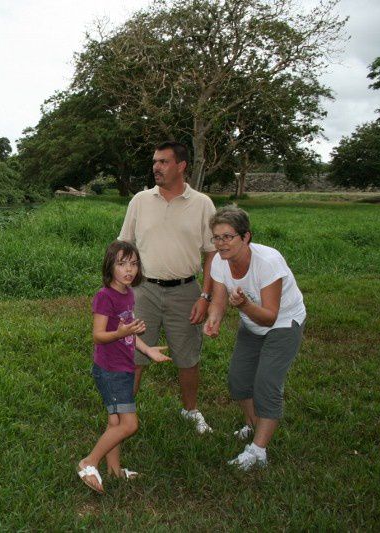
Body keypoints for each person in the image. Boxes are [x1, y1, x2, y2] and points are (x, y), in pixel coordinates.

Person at [117, 141, 217, 434]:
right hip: (143, 290)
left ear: (181, 166)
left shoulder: (202, 203)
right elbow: (125, 245)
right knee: (133, 353)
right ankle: (124, 415)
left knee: (187, 356)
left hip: (186, 291)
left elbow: (212, 253)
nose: (156, 167)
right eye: (155, 162)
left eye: (163, 162)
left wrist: (206, 296)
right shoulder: (140, 200)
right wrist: (120, 286)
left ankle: (191, 410)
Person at [204, 205, 306, 470]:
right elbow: (218, 299)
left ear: (245, 237)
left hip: (283, 322)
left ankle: (259, 451)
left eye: (228, 237)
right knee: (238, 382)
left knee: (266, 383)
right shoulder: (219, 261)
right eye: (216, 237)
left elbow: (270, 316)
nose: (221, 243)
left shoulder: (268, 262)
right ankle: (253, 424)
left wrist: (245, 306)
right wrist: (213, 320)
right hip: (251, 324)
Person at [77, 240, 171, 493]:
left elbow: (128, 332)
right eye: (122, 264)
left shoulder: (128, 294)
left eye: (134, 264)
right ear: (110, 266)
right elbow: (98, 335)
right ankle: (89, 461)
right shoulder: (105, 296)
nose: (129, 270)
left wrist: (147, 349)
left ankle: (115, 471)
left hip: (123, 367)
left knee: (115, 422)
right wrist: (119, 332)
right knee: (129, 425)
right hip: (110, 371)